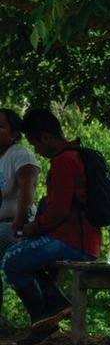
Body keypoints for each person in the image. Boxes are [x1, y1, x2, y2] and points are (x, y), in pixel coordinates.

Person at [2, 108, 101, 345]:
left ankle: (44, 320)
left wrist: (33, 227)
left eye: (36, 143)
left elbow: (58, 210)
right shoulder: (72, 156)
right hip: (76, 237)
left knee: (11, 260)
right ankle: (51, 311)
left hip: (72, 240)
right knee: (21, 257)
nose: (36, 150)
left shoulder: (64, 161)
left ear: (46, 137)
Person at [0, 110, 39, 258]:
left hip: (14, 223)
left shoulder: (20, 154)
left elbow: (28, 188)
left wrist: (20, 219)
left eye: (1, 127)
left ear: (14, 134)